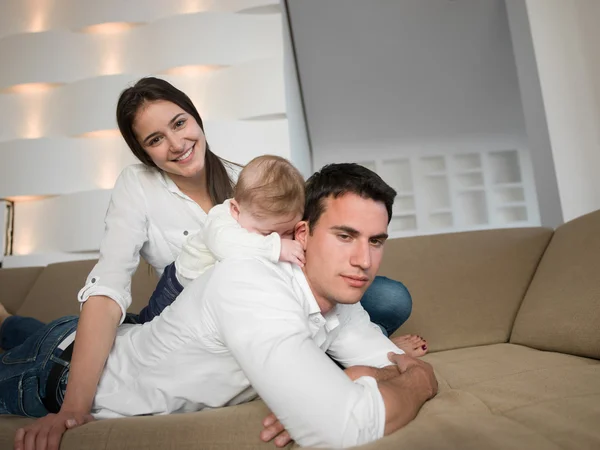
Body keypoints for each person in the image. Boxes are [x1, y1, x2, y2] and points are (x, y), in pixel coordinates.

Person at [1, 77, 423, 450]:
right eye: (155, 139)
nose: (176, 143)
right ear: (144, 153)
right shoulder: (145, 190)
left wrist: (355, 374)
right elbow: (109, 285)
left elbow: (309, 239)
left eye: (180, 123)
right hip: (168, 313)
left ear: (197, 119)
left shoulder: (251, 179)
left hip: (201, 332)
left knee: (376, 296)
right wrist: (73, 407)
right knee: (45, 339)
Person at [137, 154, 306, 323]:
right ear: (235, 210)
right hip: (178, 285)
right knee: (149, 324)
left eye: (287, 232)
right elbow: (227, 248)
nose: (279, 238)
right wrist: (275, 248)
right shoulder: (220, 219)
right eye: (267, 233)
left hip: (206, 296)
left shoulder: (254, 224)